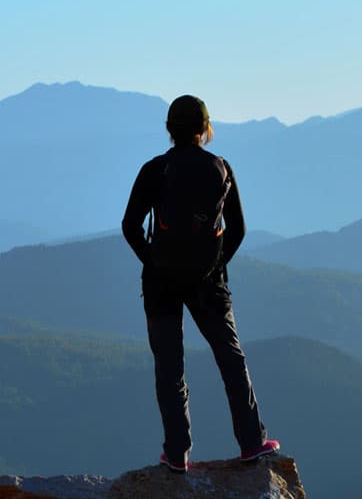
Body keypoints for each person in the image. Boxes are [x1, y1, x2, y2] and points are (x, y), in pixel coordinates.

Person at [122, 94, 279, 472]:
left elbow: (129, 226)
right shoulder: (220, 168)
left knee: (169, 367)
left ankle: (177, 453)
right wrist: (214, 265)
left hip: (161, 284)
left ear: (169, 130)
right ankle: (251, 443)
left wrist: (154, 262)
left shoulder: (154, 170)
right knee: (230, 359)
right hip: (209, 284)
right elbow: (238, 229)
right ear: (204, 129)